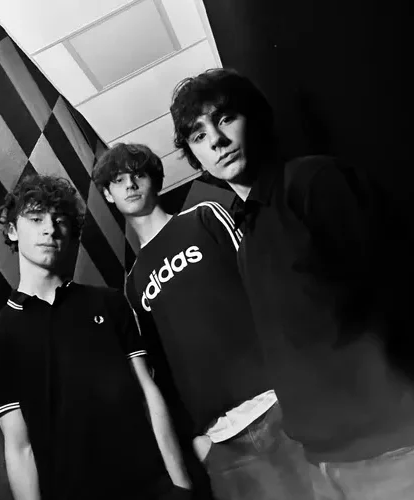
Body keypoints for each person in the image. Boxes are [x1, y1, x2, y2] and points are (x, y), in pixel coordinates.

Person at [170, 67, 414, 500]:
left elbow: (399, 288)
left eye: (225, 119)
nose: (217, 141)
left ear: (255, 118)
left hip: (390, 450)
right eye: (198, 135)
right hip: (322, 463)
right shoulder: (247, 237)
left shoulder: (315, 183)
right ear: (195, 156)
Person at [91, 143, 314, 500]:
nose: (130, 185)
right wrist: (197, 442)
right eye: (117, 180)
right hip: (223, 443)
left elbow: (269, 286)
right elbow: (159, 373)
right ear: (108, 194)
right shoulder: (132, 286)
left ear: (154, 180)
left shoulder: (204, 218)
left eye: (138, 174)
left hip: (282, 405)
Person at [0, 174, 194, 500]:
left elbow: (148, 393)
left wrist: (181, 485)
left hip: (154, 487)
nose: (49, 229)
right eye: (36, 219)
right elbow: (20, 447)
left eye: (59, 220)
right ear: (12, 230)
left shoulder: (109, 302)